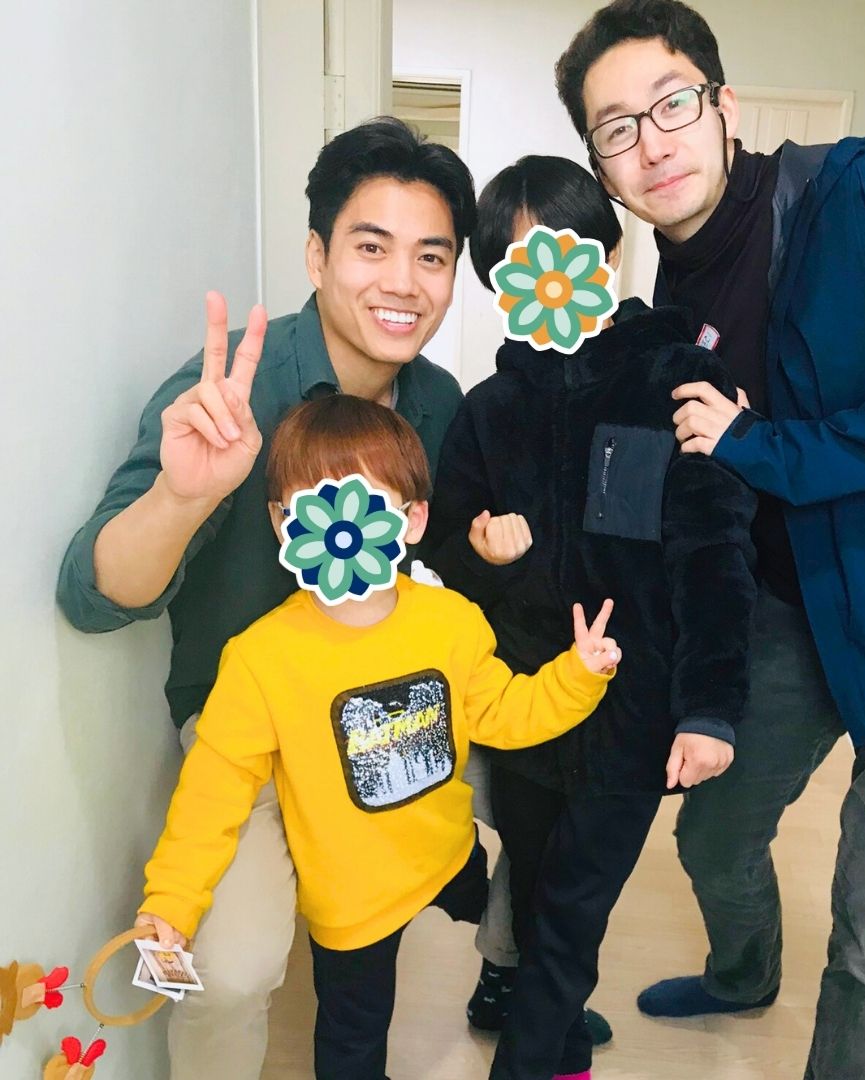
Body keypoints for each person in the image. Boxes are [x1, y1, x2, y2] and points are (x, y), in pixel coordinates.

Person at [555, 2, 865, 1077]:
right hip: (798, 607)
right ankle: (745, 971)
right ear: (600, 165)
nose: (652, 143)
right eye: (615, 129)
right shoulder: (669, 289)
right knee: (711, 832)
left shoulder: (862, 191)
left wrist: (765, 447)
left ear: (725, 104)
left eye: (673, 104)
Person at [55, 117, 490, 1080]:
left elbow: (442, 571)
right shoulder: (230, 394)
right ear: (317, 254)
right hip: (249, 731)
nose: (402, 282)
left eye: (432, 255)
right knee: (228, 967)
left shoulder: (441, 404)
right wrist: (185, 493)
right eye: (370, 246)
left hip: (378, 715)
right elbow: (93, 595)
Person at [134, 394, 621, 1080]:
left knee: (526, 895)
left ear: (413, 517)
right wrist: (171, 903)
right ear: (282, 525)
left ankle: (512, 988)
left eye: (362, 499)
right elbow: (211, 792)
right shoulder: (261, 657)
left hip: (446, 856)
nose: (341, 522)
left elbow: (505, 713)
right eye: (310, 506)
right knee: (353, 1039)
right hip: (352, 898)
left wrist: (577, 675)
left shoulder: (450, 621)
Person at [425, 154, 758, 1080]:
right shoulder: (489, 411)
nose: (548, 277)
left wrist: (707, 709)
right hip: (528, 709)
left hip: (633, 715)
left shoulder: (676, 380)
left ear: (607, 255)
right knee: (534, 900)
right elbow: (442, 545)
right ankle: (560, 1038)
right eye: (516, 264)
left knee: (573, 910)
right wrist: (478, 548)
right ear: (499, 286)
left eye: (565, 250)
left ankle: (530, 1060)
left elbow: (715, 554)